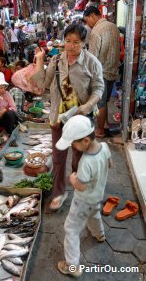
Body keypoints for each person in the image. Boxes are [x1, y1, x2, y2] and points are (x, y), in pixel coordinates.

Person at [31, 24, 104, 210]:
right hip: (59, 117)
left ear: (84, 42)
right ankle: (59, 192)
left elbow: (98, 88)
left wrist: (88, 105)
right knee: (58, 157)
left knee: (80, 157)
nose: (71, 46)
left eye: (76, 42)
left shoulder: (92, 62)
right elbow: (42, 85)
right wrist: (39, 61)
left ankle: (80, 188)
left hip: (82, 119)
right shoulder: (56, 61)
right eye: (68, 41)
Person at [55, 115, 111, 278]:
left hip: (82, 201)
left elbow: (81, 185)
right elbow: (110, 164)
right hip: (97, 197)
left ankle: (72, 266)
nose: (73, 146)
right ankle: (99, 234)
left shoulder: (85, 162)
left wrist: (73, 179)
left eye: (73, 143)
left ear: (86, 140)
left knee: (71, 229)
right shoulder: (105, 147)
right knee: (94, 214)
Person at [83, 6, 120, 138]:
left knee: (100, 103)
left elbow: (93, 57)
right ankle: (105, 125)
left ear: (93, 16)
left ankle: (100, 131)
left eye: (87, 21)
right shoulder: (113, 26)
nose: (88, 24)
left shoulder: (96, 32)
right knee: (105, 101)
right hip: (112, 70)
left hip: (101, 72)